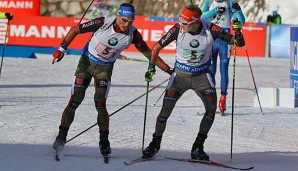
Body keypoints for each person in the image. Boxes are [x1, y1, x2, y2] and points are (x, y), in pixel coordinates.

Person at [52, 3, 172, 157]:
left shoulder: (133, 34)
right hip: (86, 64)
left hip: (105, 69)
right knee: (75, 100)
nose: (126, 24)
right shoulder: (102, 22)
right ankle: (61, 136)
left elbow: (148, 52)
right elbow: (75, 29)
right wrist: (62, 49)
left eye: (130, 21)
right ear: (117, 16)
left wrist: (168, 70)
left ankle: (104, 141)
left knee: (100, 104)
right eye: (124, 20)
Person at [142, 5, 245, 160]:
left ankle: (198, 147)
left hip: (202, 77)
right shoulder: (177, 29)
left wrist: (237, 31)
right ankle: (155, 144)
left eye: (185, 23)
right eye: (181, 21)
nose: (181, 25)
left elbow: (238, 43)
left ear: (196, 23)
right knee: (165, 112)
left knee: (211, 110)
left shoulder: (212, 29)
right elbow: (155, 48)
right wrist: (152, 67)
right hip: (179, 77)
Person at [200, 0, 245, 115]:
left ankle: (223, 98)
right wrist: (215, 11)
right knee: (211, 70)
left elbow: (241, 22)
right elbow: (201, 18)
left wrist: (238, 11)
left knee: (224, 69)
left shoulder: (229, 2)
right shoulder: (208, 2)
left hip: (225, 39)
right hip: (211, 38)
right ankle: (212, 100)